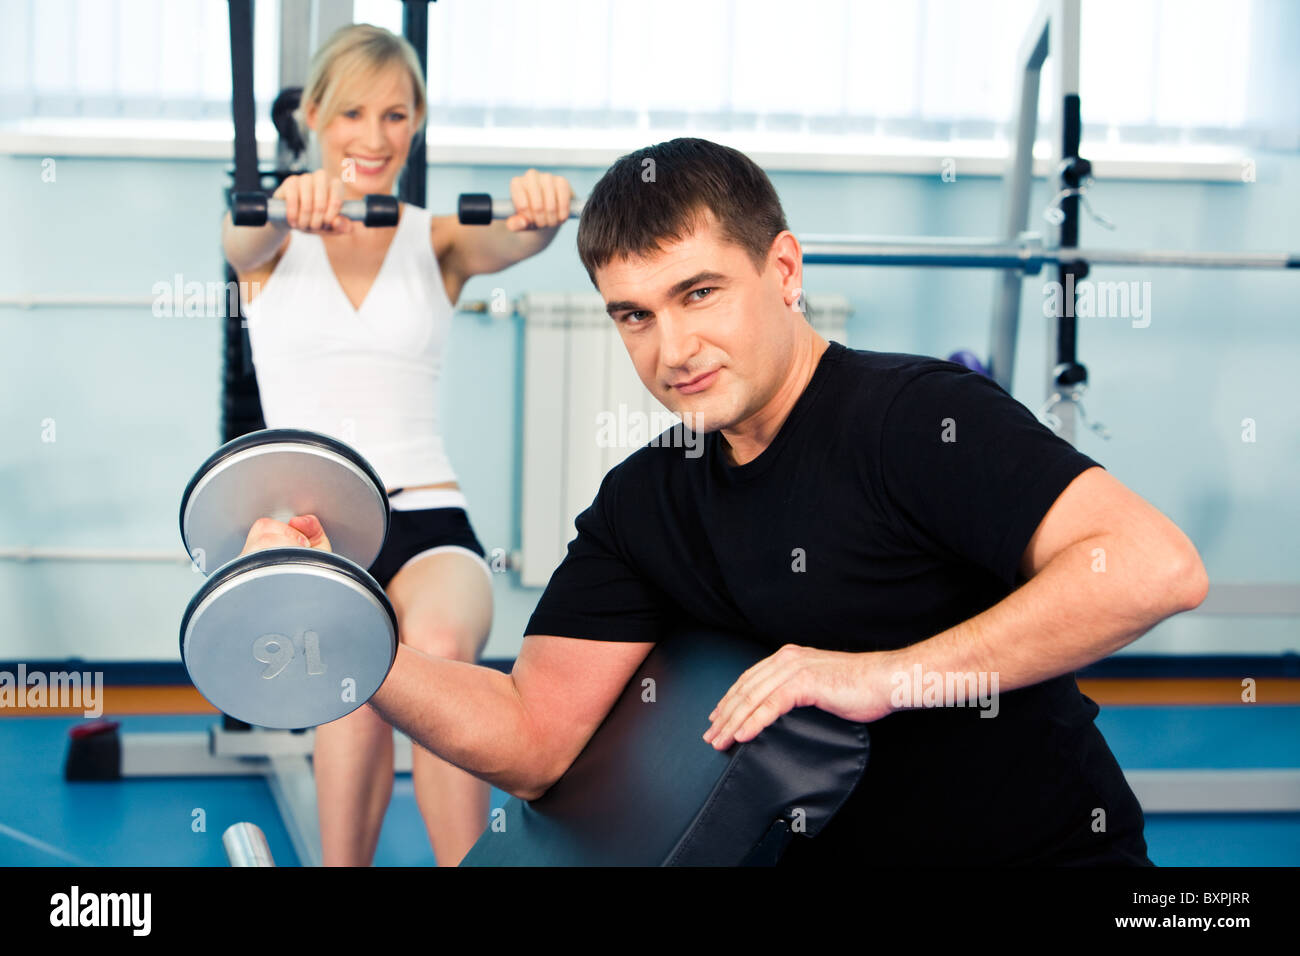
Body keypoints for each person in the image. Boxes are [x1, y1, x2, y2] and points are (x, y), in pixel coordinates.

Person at [244, 136, 1209, 865]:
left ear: (783, 272)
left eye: (699, 293)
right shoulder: (647, 501)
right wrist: (341, 628)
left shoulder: (916, 420)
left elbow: (1151, 565)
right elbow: (533, 736)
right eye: (636, 314)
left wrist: (885, 675)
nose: (671, 351)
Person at [220, 23, 575, 867]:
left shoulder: (437, 238)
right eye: (351, 114)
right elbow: (242, 241)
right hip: (319, 529)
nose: (374, 138)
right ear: (312, 115)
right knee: (351, 673)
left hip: (429, 520)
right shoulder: (266, 244)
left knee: (436, 651)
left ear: (416, 121)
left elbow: (520, 238)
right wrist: (282, 206)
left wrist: (544, 214)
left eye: (395, 115)